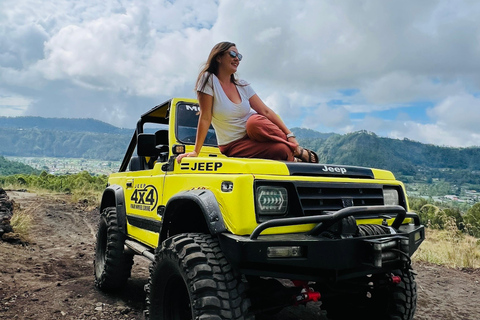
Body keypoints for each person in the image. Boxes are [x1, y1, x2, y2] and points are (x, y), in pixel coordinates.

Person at [176, 41, 318, 164]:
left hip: (257, 131)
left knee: (254, 123)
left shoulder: (242, 85)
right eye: (232, 54)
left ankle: (297, 151)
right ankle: (294, 156)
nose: (237, 59)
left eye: (239, 56)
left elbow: (266, 111)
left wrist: (290, 135)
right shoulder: (208, 80)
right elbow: (205, 117)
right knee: (281, 150)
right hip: (234, 143)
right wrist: (196, 151)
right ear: (218, 57)